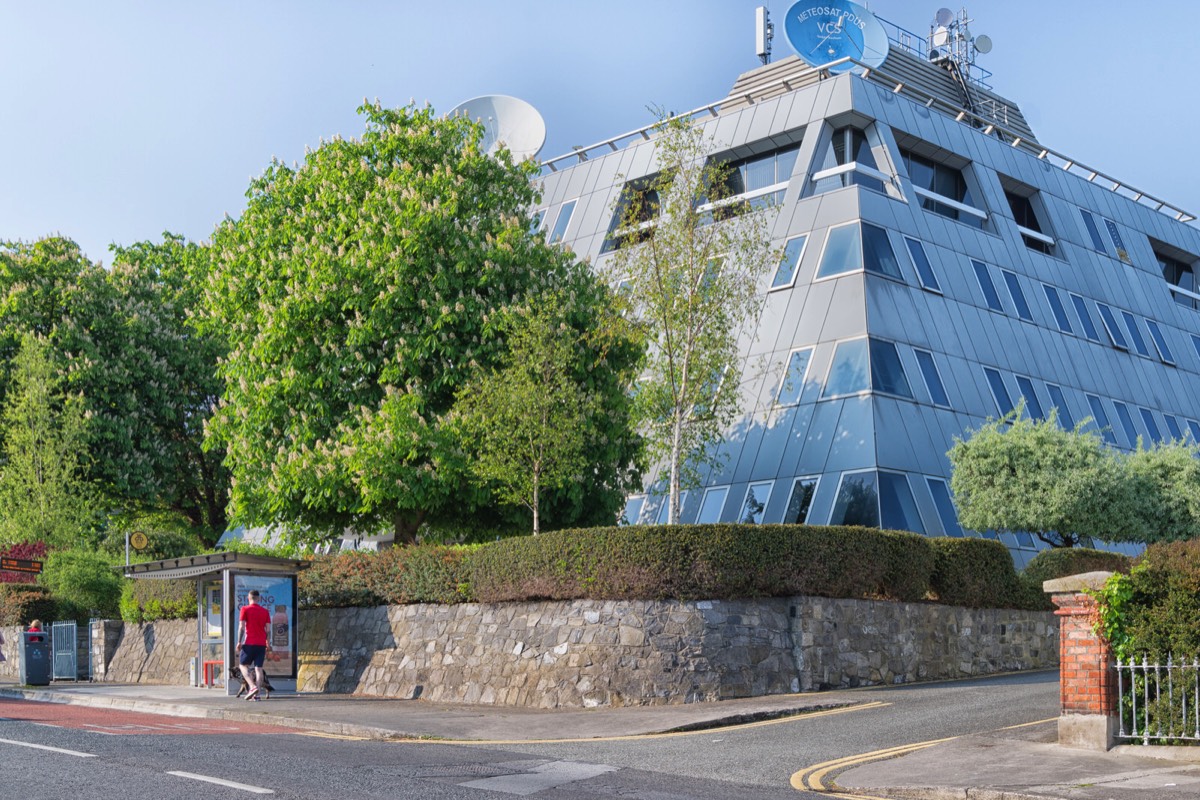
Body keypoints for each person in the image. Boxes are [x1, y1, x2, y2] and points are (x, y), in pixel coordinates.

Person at [236, 591, 272, 700]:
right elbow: (268, 630)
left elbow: (241, 627)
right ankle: (257, 695)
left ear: (249, 598)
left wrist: (239, 641)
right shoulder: (265, 611)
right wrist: (268, 643)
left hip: (249, 643)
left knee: (242, 665)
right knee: (259, 669)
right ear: (259, 598)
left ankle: (252, 687)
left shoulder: (245, 609)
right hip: (261, 644)